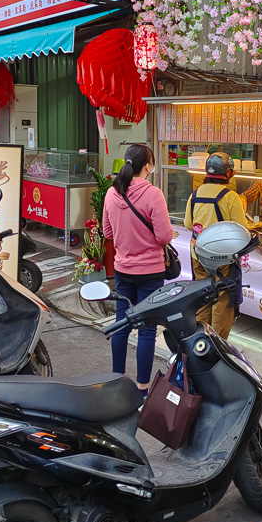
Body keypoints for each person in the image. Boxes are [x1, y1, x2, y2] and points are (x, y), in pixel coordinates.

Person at [102, 144, 174, 394]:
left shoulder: (112, 193)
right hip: (150, 273)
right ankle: (142, 388)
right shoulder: (153, 194)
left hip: (123, 269)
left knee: (121, 323)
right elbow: (165, 236)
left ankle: (116, 382)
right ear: (147, 166)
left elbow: (108, 233)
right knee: (146, 330)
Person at [184, 152, 247, 339]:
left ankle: (200, 340)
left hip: (198, 256)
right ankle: (218, 344)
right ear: (228, 173)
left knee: (202, 297)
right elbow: (241, 229)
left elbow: (188, 224)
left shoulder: (194, 195)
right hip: (222, 260)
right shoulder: (230, 197)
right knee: (222, 301)